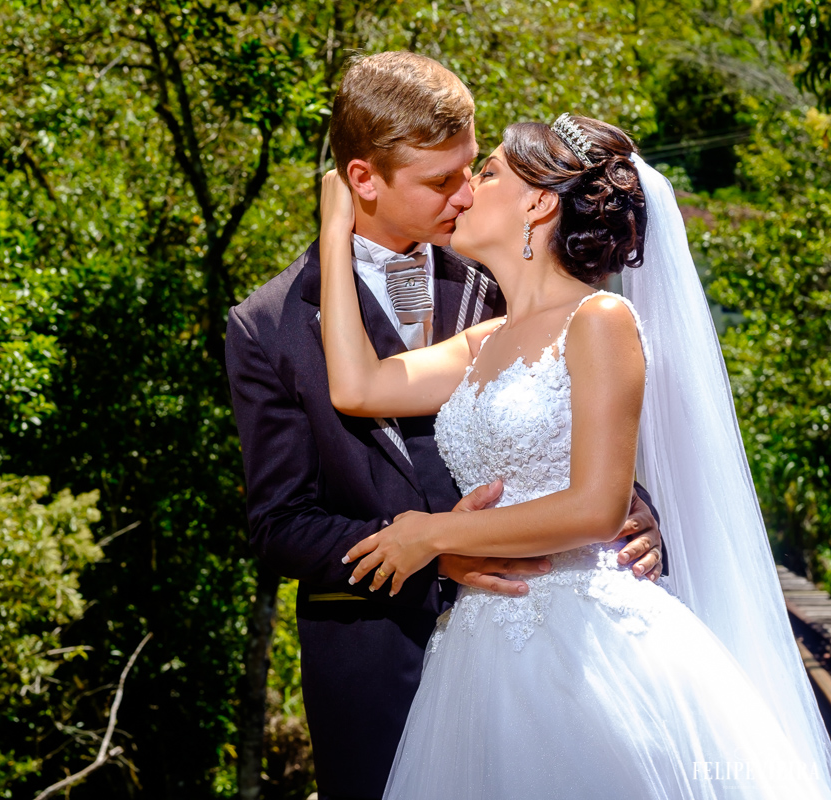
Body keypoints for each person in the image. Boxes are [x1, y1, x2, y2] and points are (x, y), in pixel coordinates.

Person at [318, 112, 831, 798]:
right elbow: (356, 386)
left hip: (590, 646)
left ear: (538, 202)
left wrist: (432, 533)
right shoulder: (482, 343)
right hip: (482, 651)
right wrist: (334, 234)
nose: (467, 189)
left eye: (489, 171)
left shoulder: (600, 321)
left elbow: (597, 507)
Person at [225, 51, 664, 800]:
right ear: (363, 180)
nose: (465, 196)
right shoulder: (265, 327)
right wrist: (433, 547)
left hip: (560, 644)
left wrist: (636, 506)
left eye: (475, 170)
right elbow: (281, 524)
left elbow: (576, 422)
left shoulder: (510, 272)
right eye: (441, 181)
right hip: (374, 662)